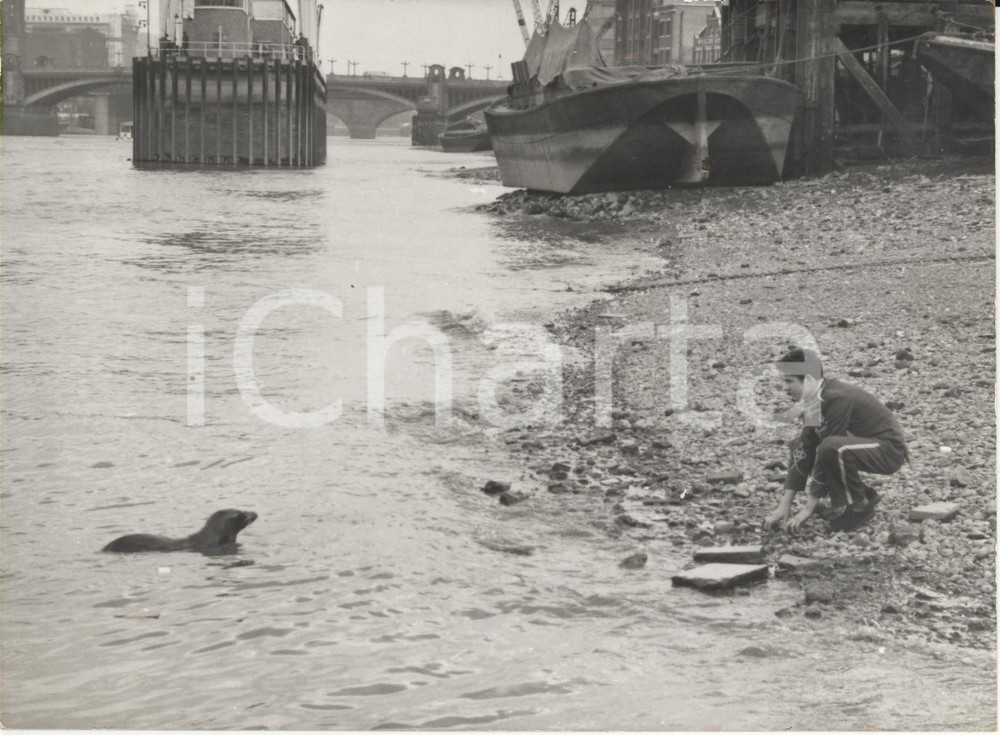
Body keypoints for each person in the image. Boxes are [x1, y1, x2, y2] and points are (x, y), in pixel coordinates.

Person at [764, 348, 908, 533]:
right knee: (801, 442)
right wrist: (783, 506)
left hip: (889, 451)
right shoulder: (814, 398)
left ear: (808, 380)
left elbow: (826, 451)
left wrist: (807, 509)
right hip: (865, 444)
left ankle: (859, 507)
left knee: (830, 447)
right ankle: (863, 494)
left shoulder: (838, 397)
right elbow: (805, 446)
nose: (785, 387)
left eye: (789, 381)